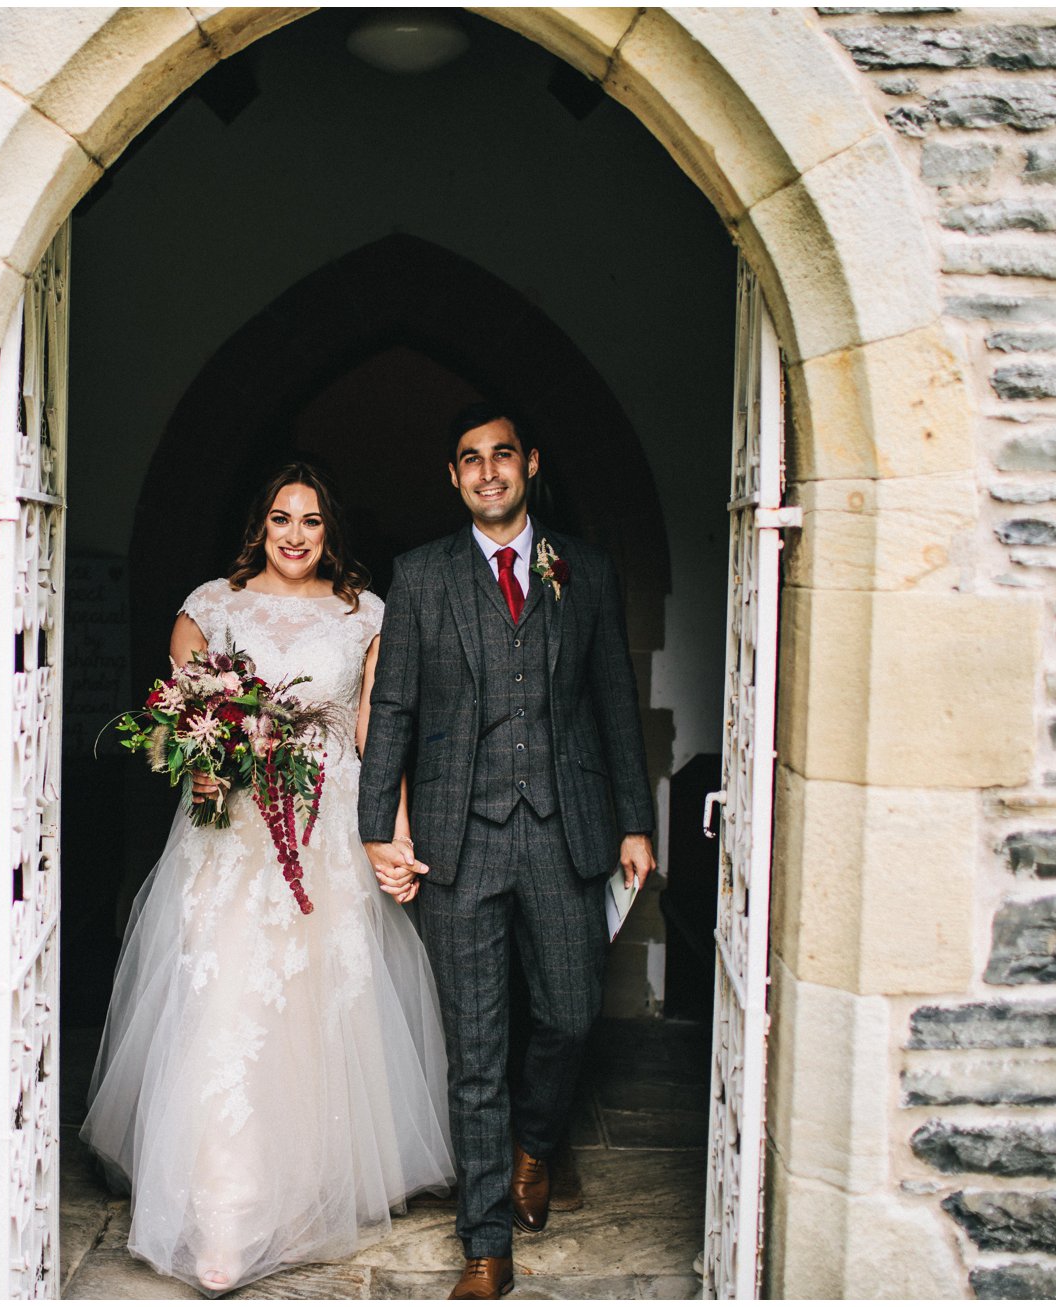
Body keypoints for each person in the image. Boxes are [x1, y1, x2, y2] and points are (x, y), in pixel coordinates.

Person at [83, 462, 455, 1295]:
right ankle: (222, 1215)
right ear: (259, 525)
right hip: (232, 837)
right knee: (226, 1005)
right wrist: (202, 768)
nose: (295, 534)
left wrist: (389, 834)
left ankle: (299, 1193)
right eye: (282, 518)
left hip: (325, 823)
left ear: (331, 532)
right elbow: (176, 725)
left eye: (313, 522)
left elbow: (373, 733)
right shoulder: (209, 605)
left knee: (314, 1009)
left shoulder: (365, 614)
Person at [358, 402, 657, 1300]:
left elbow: (614, 701)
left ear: (528, 463)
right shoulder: (421, 575)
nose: (487, 471)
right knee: (476, 1046)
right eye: (468, 460)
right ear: (454, 478)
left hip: (565, 829)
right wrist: (380, 823)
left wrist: (635, 820)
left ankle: (536, 1141)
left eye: (501, 455)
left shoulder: (586, 571)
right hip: (458, 837)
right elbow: (398, 708)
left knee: (570, 1015)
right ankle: (484, 1241)